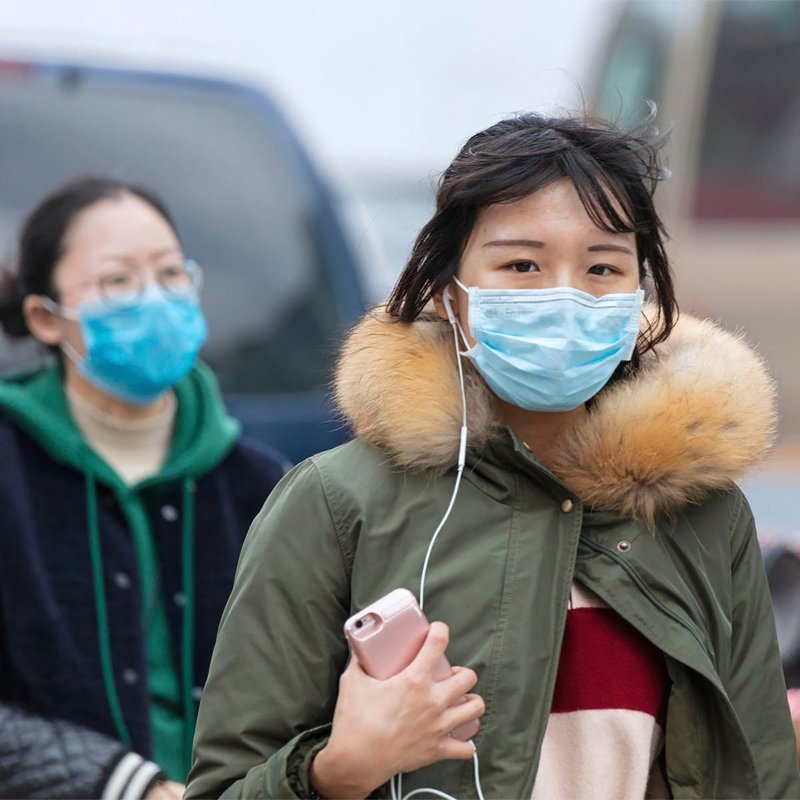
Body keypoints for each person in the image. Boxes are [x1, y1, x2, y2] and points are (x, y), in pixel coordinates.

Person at [185, 113, 800, 799]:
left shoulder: (706, 518)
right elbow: (222, 787)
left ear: (637, 300)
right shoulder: (335, 503)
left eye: (602, 267)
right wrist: (338, 770)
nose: (563, 296)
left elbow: (760, 781)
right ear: (451, 296)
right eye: (521, 265)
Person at [0, 178, 287, 800]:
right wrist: (128, 786)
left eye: (169, 273)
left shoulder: (262, 486)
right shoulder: (10, 467)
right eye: (118, 281)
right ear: (45, 318)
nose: (153, 298)